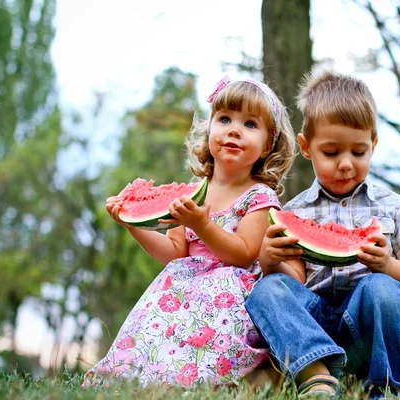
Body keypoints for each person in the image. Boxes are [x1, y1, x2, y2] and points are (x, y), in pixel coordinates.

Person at [82, 75, 296, 388]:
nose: (234, 129)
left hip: (228, 295)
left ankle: (214, 379)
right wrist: (131, 223)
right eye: (224, 119)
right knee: (154, 328)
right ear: (210, 129)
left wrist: (202, 225)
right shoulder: (195, 192)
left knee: (208, 343)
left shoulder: (259, 197)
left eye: (250, 124)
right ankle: (150, 378)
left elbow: (244, 253)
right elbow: (174, 251)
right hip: (180, 289)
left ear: (268, 146)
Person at [245, 70, 400, 399]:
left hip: (366, 330)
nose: (346, 164)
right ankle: (317, 374)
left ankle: (387, 389)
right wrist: (270, 259)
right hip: (311, 327)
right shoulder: (292, 211)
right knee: (266, 289)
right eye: (331, 153)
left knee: (383, 289)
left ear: (373, 144)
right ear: (306, 147)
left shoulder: (394, 206)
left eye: (359, 153)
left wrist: (388, 266)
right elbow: (296, 281)